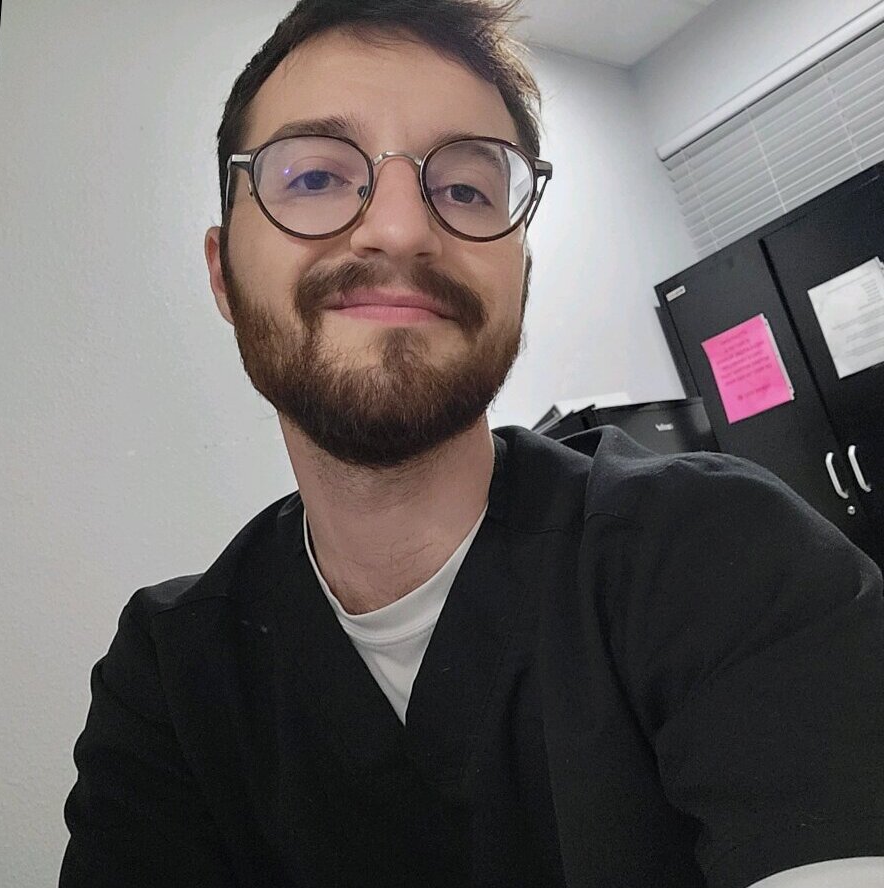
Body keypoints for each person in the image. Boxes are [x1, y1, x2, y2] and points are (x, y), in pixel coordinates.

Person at [60, 1, 884, 886]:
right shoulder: (169, 677)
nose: (401, 230)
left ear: (518, 280)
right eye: (316, 176)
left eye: (463, 189)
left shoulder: (722, 549)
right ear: (224, 274)